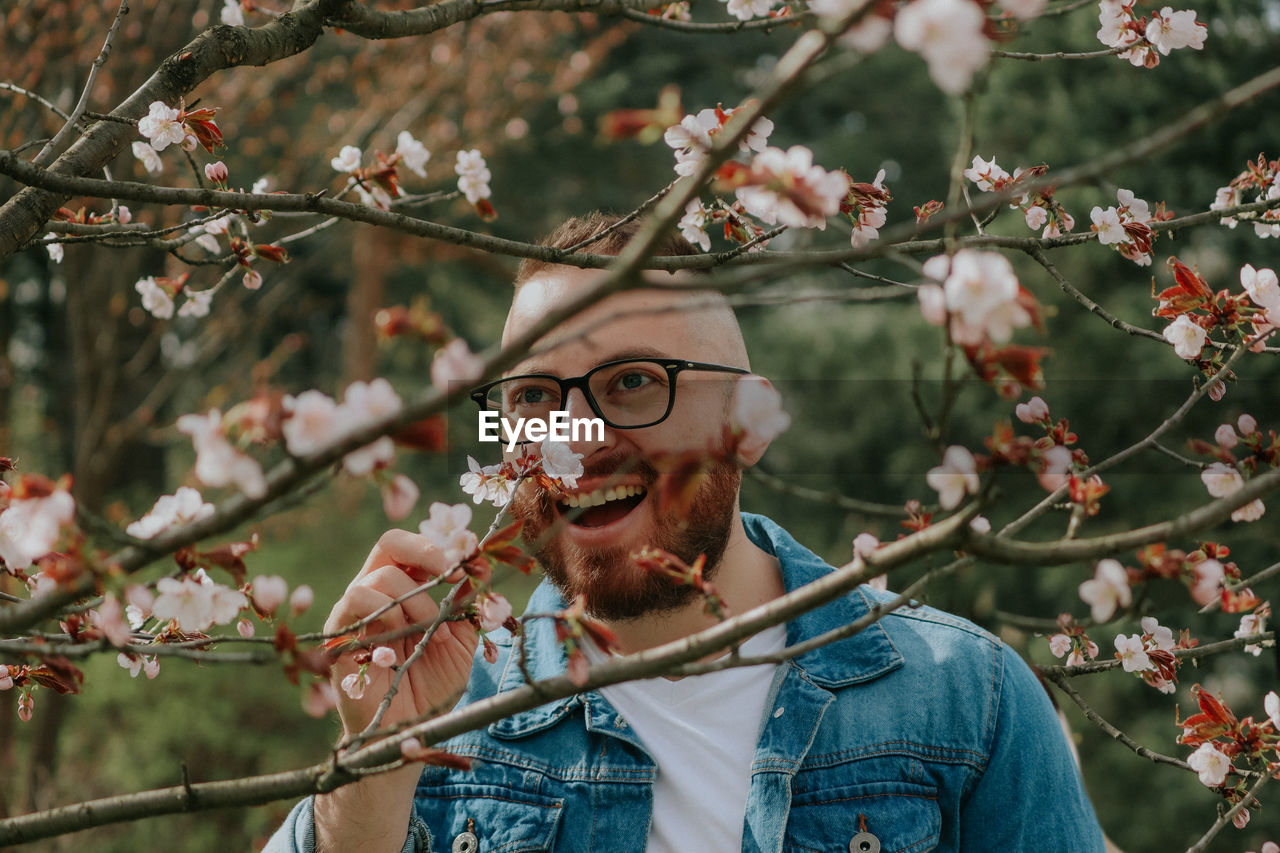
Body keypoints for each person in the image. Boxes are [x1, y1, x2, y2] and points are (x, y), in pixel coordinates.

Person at [267, 213, 1107, 853]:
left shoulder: (966, 699)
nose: (575, 442)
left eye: (632, 382)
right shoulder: (446, 710)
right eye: (532, 399)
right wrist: (372, 766)